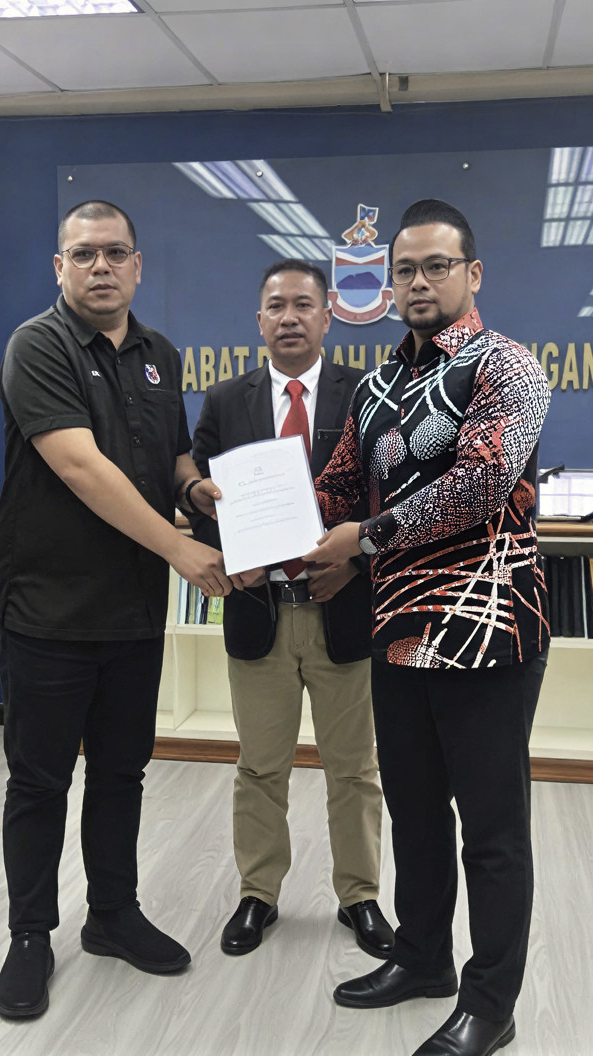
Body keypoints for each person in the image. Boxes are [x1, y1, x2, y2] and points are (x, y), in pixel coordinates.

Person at [300, 199, 552, 1056]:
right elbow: (338, 486)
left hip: (487, 629)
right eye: (403, 269)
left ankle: (491, 1003)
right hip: (398, 630)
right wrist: (271, 528)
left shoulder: (508, 367)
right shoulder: (376, 386)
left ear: (471, 274)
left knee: (491, 829)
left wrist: (364, 540)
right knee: (412, 810)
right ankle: (422, 958)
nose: (418, 282)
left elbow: (479, 485)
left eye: (436, 266)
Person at [0, 199, 230, 1022]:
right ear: (59, 267)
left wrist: (193, 488)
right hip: (49, 611)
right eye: (84, 253)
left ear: (137, 266)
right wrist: (180, 549)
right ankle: (30, 936)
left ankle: (113, 915)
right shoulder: (37, 346)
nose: (101, 266)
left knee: (122, 772)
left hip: (132, 612)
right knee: (39, 781)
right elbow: (81, 468)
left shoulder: (160, 354)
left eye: (115, 253)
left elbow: (167, 454)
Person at [187, 260, 396, 961]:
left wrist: (358, 561)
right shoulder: (225, 401)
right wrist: (226, 546)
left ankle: (360, 896)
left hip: (344, 610)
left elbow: (390, 498)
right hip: (260, 611)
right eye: (276, 306)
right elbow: (200, 491)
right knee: (260, 766)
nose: (289, 318)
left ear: (327, 316)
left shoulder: (366, 394)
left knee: (354, 769)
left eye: (303, 305)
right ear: (258, 321)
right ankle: (258, 893)